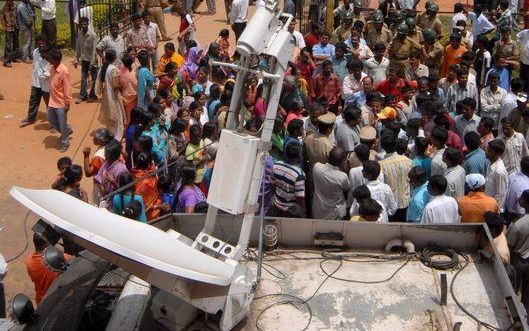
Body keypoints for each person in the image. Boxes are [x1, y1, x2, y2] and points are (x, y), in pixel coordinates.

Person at [25, 234, 70, 304]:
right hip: (56, 300)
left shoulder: (29, 261)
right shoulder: (65, 258)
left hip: (41, 301)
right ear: (45, 246)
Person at [379, 132, 413, 221]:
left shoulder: (381, 165)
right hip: (406, 203)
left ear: (382, 146)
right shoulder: (408, 161)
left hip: (389, 207)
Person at [312, 147, 350, 220]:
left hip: (318, 210)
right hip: (334, 214)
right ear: (342, 161)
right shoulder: (342, 176)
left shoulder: (317, 167)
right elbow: (346, 188)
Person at [269, 143, 306, 218]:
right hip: (290, 211)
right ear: (299, 156)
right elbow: (300, 198)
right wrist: (303, 210)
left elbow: (272, 185)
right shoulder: (299, 175)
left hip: (276, 204)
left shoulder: (276, 165)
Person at [506, 189, 529, 312]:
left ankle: (515, 316)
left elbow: (508, 246)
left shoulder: (517, 225)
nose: (519, 198)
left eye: (521, 198)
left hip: (518, 261)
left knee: (513, 291)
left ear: (525, 203)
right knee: (527, 295)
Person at [20, 36, 50, 127]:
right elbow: (36, 66)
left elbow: (51, 67)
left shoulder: (49, 53)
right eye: (39, 43)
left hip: (46, 82)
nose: (41, 44)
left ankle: (53, 123)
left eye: (42, 43)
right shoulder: (35, 52)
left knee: (49, 103)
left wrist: (46, 75)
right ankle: (31, 118)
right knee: (33, 100)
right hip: (36, 81)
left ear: (46, 43)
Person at [47, 48, 73, 152]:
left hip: (61, 103)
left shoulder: (64, 71)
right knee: (51, 119)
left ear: (56, 60)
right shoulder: (52, 68)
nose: (49, 60)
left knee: (62, 124)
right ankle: (66, 130)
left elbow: (67, 88)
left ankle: (65, 142)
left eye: (50, 58)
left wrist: (67, 103)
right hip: (52, 101)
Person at [98, 50, 125, 141]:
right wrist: (123, 84)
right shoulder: (113, 69)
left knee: (110, 115)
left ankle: (111, 134)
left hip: (106, 94)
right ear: (114, 58)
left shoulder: (104, 67)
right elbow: (115, 85)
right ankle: (117, 137)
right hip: (114, 95)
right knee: (117, 115)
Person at [74, 17, 98, 104]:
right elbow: (78, 48)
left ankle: (92, 95)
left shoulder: (93, 35)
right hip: (84, 60)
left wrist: (92, 62)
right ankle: (83, 96)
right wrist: (76, 59)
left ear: (88, 24)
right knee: (83, 78)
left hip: (92, 60)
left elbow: (94, 50)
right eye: (82, 24)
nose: (83, 26)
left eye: (85, 24)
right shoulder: (79, 35)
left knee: (94, 79)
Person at [131, 152, 161, 220]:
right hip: (149, 216)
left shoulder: (132, 174)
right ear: (148, 165)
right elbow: (147, 204)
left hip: (134, 212)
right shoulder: (151, 181)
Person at [485, 139, 509, 212]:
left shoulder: (499, 171)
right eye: (487, 149)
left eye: (490, 151)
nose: (486, 152)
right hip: (488, 204)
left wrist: (495, 211)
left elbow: (501, 195)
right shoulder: (490, 162)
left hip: (494, 210)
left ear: (498, 154)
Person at [505, 157, 529, 223]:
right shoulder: (526, 186)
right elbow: (521, 208)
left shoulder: (512, 175)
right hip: (518, 216)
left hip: (507, 212)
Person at [119, 56, 138, 124]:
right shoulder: (135, 72)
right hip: (135, 97)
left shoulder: (121, 72)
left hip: (125, 98)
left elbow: (120, 85)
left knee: (129, 118)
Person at [2, 0, 18, 67]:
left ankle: (14, 58)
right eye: (10, 1)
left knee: (16, 43)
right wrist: (4, 27)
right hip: (8, 28)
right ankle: (7, 61)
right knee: (8, 45)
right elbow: (2, 18)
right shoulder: (4, 8)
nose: (11, 2)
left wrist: (17, 25)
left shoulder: (14, 6)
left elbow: (16, 16)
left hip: (15, 27)